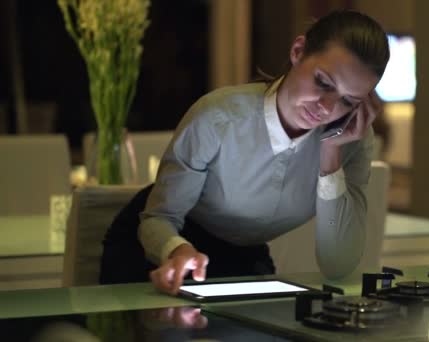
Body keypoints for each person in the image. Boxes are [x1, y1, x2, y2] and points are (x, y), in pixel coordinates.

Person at [99, 9, 390, 295]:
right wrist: (177, 250)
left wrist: (330, 154)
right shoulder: (218, 117)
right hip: (162, 247)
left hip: (243, 256)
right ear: (298, 51)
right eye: (323, 83)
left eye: (348, 101)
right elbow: (157, 219)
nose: (326, 108)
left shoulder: (352, 141)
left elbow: (338, 264)